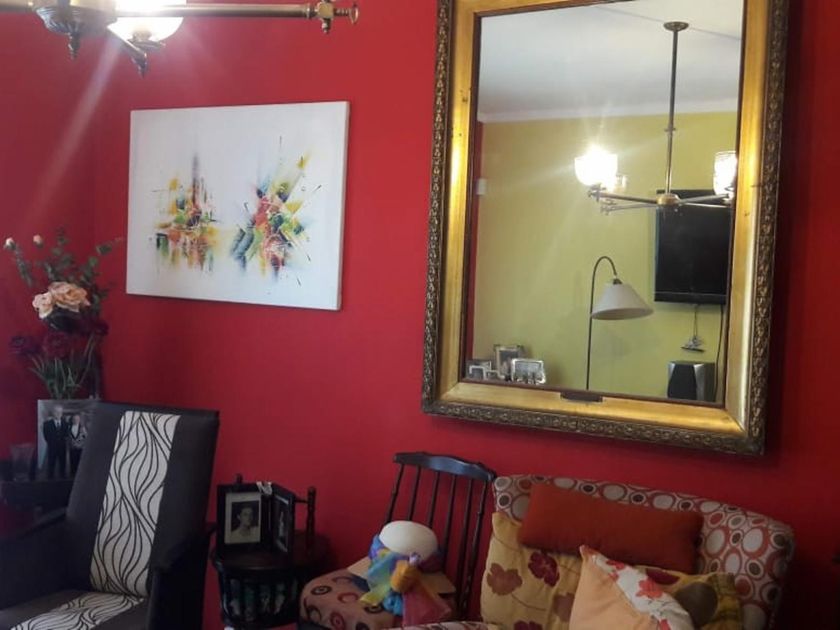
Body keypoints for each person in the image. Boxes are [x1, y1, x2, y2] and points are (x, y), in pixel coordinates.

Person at [42, 404, 68, 479]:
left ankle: (62, 479)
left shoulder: (65, 424)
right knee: (51, 464)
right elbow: (46, 436)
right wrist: (52, 443)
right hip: (52, 447)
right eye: (57, 412)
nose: (58, 414)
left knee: (62, 464)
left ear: (62, 413)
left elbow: (66, 435)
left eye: (60, 412)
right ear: (53, 413)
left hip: (62, 447)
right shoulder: (47, 424)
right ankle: (50, 480)